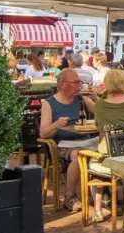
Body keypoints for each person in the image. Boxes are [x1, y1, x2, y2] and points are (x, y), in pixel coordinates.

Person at [41, 69, 97, 209]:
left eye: (80, 82)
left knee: (107, 148)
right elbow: (43, 133)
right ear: (62, 84)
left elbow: (102, 112)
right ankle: (69, 196)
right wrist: (56, 124)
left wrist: (97, 98)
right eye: (76, 83)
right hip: (64, 144)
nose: (79, 85)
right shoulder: (49, 103)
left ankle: (104, 196)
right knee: (78, 156)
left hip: (86, 140)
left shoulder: (82, 99)